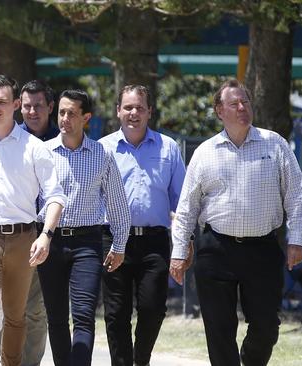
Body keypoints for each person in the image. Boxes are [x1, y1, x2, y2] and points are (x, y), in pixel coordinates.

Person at [170, 79, 302, 366]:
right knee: (219, 329)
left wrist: (296, 238)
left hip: (262, 249)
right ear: (219, 111)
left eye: (245, 102)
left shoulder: (275, 144)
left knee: (266, 326)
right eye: (234, 103)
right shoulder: (205, 152)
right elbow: (186, 208)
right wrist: (178, 250)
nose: (242, 107)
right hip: (215, 249)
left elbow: (297, 195)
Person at [0, 74, 66, 366]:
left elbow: (56, 195)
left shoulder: (34, 147)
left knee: (16, 316)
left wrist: (45, 235)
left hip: (24, 238)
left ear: (16, 104)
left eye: (2, 102)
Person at [38, 89, 131, 365]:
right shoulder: (42, 153)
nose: (65, 119)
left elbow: (117, 205)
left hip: (87, 243)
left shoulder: (102, 154)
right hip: (51, 242)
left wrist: (119, 245)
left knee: (83, 315)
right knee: (55, 317)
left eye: (72, 113)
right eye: (61, 112)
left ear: (86, 118)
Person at [99, 85, 186, 366]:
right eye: (127, 107)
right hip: (113, 240)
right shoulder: (102, 149)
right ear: (118, 111)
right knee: (116, 313)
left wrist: (185, 242)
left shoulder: (168, 148)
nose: (133, 113)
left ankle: (141, 360)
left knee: (153, 309)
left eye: (139, 107)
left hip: (154, 242)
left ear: (149, 111)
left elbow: (181, 200)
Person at [18, 80, 59, 366]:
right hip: (14, 233)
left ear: (50, 107)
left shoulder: (63, 140)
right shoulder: (11, 139)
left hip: (52, 236)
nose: (32, 112)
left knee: (37, 311)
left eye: (38, 106)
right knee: (7, 309)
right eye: (27, 106)